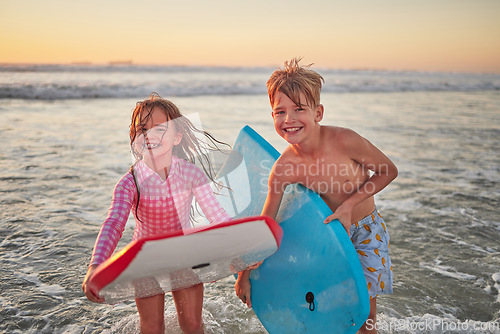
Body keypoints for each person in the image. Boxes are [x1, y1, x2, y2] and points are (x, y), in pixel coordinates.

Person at [234, 58, 398, 334]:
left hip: (365, 231)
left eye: (299, 109)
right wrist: (243, 275)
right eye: (280, 112)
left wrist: (348, 206)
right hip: (325, 240)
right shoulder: (284, 168)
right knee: (331, 313)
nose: (289, 119)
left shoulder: (345, 141)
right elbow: (267, 223)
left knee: (364, 318)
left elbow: (388, 171)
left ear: (318, 113)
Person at [82, 93, 231, 334]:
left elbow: (217, 215)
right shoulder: (129, 182)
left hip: (183, 255)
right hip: (145, 258)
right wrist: (96, 266)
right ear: (134, 138)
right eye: (142, 129)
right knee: (152, 327)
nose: (150, 135)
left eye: (160, 129)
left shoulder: (191, 174)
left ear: (177, 137)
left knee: (192, 326)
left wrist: (233, 252)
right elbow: (113, 224)